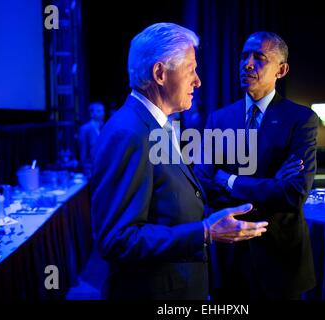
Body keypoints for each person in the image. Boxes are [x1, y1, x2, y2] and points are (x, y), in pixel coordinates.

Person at [91, 23, 268, 300]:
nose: (197, 81)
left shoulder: (156, 125)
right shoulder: (129, 133)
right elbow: (117, 240)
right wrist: (204, 232)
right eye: (190, 70)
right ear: (160, 73)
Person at [195, 31, 319, 299]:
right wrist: (273, 184)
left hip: (281, 264)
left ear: (281, 70)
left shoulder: (302, 119)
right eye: (244, 56)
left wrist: (228, 180)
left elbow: (293, 194)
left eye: (260, 58)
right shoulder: (219, 119)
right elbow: (204, 183)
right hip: (229, 261)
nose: (247, 64)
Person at [78, 101, 105, 176]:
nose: (102, 113)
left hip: (102, 165)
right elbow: (83, 150)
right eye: (99, 111)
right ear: (92, 113)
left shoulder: (103, 127)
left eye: (102, 111)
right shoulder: (85, 129)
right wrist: (85, 167)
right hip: (90, 167)